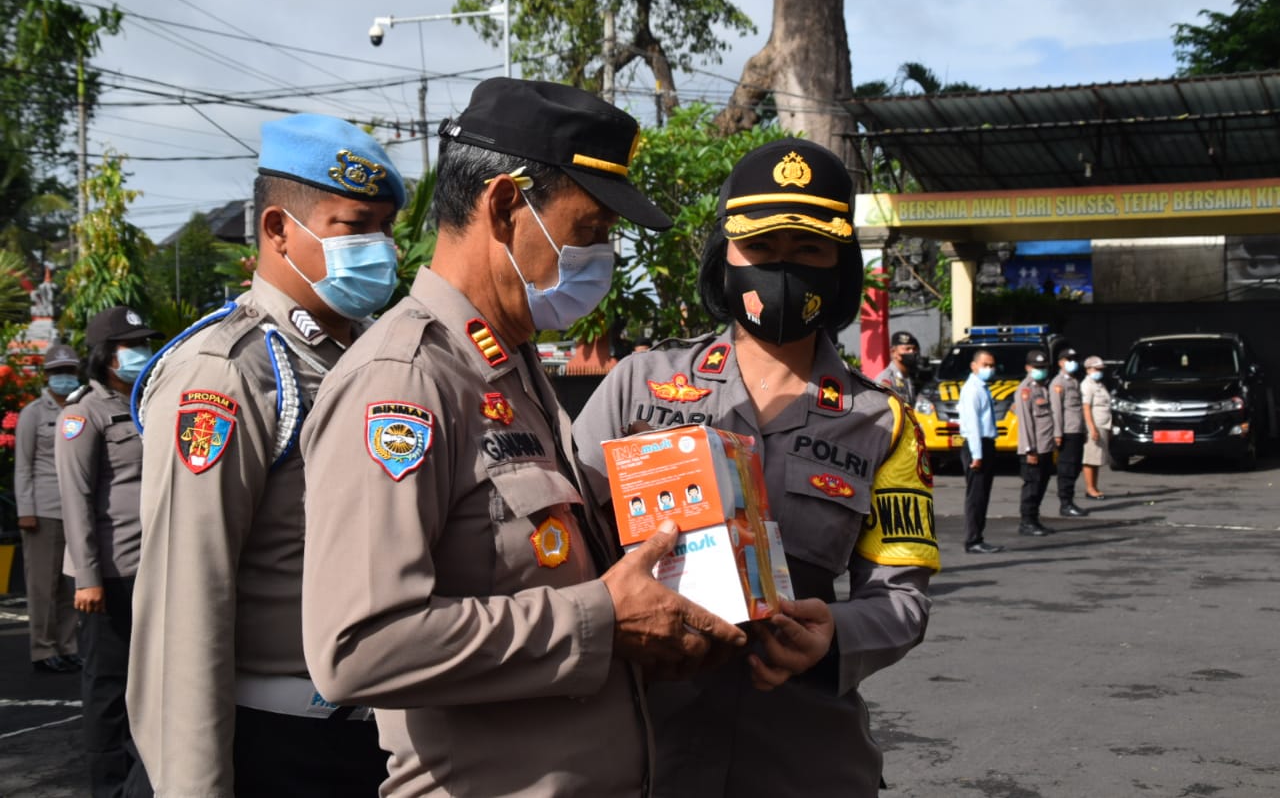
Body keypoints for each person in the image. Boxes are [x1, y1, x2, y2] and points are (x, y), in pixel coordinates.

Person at [300, 77, 751, 798]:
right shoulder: (405, 381)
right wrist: (601, 619)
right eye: (590, 231)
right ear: (506, 206)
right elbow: (357, 647)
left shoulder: (512, 368)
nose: (602, 258)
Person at [573, 138, 940, 798]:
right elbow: (560, 542)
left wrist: (834, 638)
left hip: (805, 763)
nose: (782, 267)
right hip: (644, 756)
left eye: (808, 249)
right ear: (725, 256)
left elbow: (902, 600)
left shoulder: (883, 422)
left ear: (839, 266)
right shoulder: (638, 386)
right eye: (761, 248)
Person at [127, 114, 403, 797]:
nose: (382, 248)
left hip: (377, 740)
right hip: (275, 743)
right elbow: (187, 598)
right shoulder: (227, 372)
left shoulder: (375, 356)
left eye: (386, 227)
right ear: (278, 229)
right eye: (356, 226)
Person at [56, 306, 160, 798]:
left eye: (145, 343)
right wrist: (87, 578)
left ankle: (143, 783)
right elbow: (75, 500)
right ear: (106, 355)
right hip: (110, 573)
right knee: (108, 687)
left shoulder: (149, 403)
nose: (142, 352)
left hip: (151, 566)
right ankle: (111, 787)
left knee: (150, 683)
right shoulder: (83, 414)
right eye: (131, 345)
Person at [15, 343, 83, 673]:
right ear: (46, 376)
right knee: (43, 585)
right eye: (58, 372)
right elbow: (23, 465)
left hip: (76, 509)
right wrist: (25, 510)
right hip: (43, 511)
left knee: (72, 585)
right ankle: (43, 648)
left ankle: (68, 646)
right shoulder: (33, 413)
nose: (64, 377)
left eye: (69, 371)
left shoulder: (80, 408)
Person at [957, 349, 1003, 553]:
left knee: (982, 494)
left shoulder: (983, 388)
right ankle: (973, 540)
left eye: (992, 365)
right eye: (985, 365)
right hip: (977, 445)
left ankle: (978, 537)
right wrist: (977, 455)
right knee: (976, 495)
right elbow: (973, 424)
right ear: (974, 366)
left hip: (986, 443)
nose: (989, 369)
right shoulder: (972, 390)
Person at [1012, 348, 1056, 537]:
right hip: (1034, 449)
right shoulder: (1025, 390)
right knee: (1032, 487)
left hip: (1045, 446)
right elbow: (1026, 423)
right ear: (1028, 368)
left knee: (1041, 485)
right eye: (1037, 367)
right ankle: (1027, 522)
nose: (1041, 370)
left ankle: (1034, 519)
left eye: (1043, 367)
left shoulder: (1042, 387)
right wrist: (1030, 449)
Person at [1050, 347, 1088, 517]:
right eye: (1068, 360)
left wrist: (1084, 430)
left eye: (1074, 359)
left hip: (1076, 429)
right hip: (1067, 431)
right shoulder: (1058, 383)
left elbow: (1078, 408)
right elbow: (1056, 410)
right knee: (1066, 468)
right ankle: (1065, 503)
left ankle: (1070, 501)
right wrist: (1057, 433)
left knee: (1075, 467)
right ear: (1061, 363)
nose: (1072, 363)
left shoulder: (1074, 381)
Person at [1080, 355, 1112, 499]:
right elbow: (1086, 408)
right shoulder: (1087, 385)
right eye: (1096, 369)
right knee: (1090, 459)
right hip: (1094, 426)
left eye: (1101, 369)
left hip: (1103, 425)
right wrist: (1092, 428)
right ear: (1088, 369)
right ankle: (1090, 488)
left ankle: (1094, 487)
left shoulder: (1099, 384)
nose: (1099, 371)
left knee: (1097, 459)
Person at [874, 330, 921, 403]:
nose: (912, 352)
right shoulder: (886, 379)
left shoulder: (908, 377)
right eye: (907, 349)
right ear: (893, 352)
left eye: (914, 349)